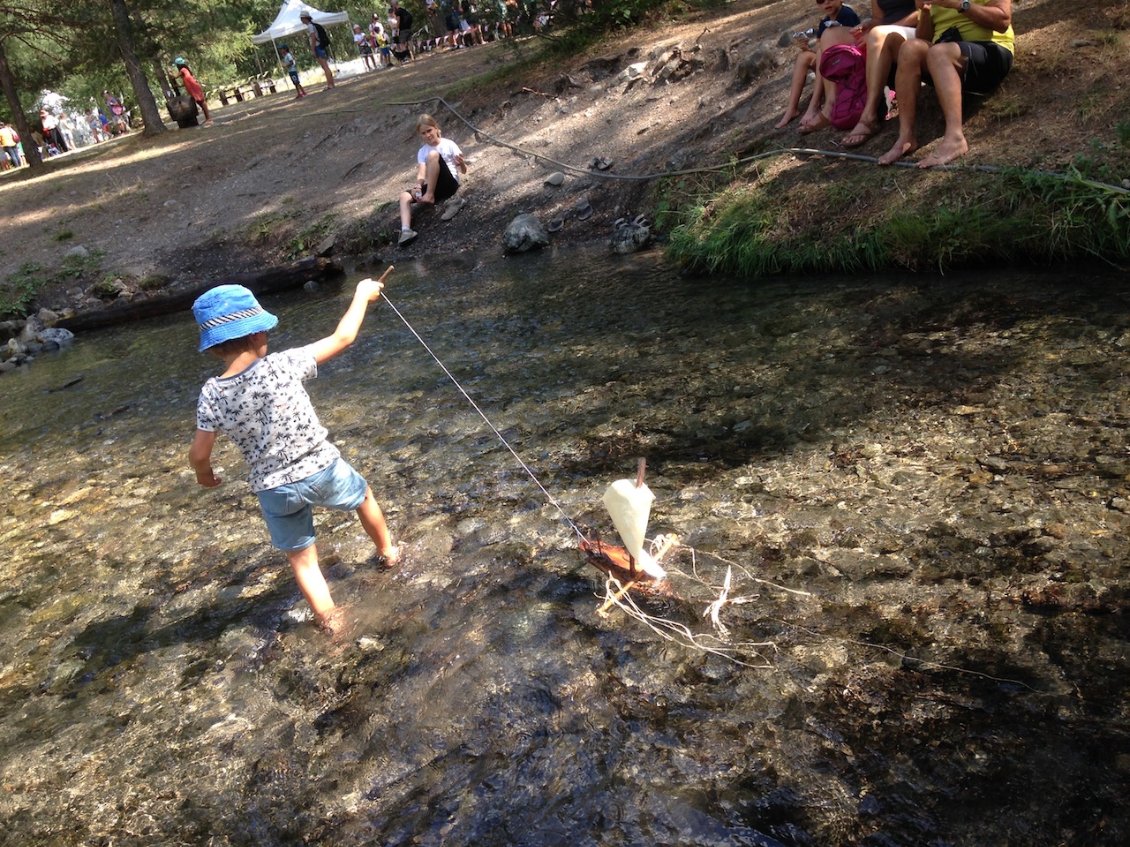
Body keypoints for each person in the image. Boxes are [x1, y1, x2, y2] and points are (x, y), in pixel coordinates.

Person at [188, 280, 399, 635]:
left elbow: (198, 453)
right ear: (256, 335)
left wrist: (204, 474)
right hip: (321, 467)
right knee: (363, 496)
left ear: (214, 348)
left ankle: (332, 622)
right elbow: (343, 337)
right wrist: (362, 294)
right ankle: (389, 552)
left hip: (273, 489)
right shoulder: (283, 364)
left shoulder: (211, 394)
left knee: (302, 560)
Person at [878, 0, 1014, 168]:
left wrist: (958, 4)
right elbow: (923, 38)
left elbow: (1002, 21)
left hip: (991, 52)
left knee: (938, 52)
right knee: (910, 48)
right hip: (945, 57)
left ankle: (955, 138)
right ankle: (906, 137)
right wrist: (925, 12)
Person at [838, 0, 919, 147]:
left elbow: (926, 11)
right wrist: (868, 26)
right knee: (832, 37)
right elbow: (878, 18)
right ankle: (830, 108)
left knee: (877, 35)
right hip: (886, 34)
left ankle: (869, 115)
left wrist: (884, 29)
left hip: (917, 31)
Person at [775, 0, 861, 130]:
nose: (826, 3)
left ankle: (814, 106)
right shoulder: (824, 22)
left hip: (848, 65)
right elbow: (821, 48)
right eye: (821, 1)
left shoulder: (847, 14)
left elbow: (852, 46)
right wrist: (806, 48)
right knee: (803, 57)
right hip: (832, 64)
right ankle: (791, 109)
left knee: (821, 53)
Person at [397, 113, 467, 246]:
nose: (428, 135)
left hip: (450, 183)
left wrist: (462, 163)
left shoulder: (448, 144)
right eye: (423, 133)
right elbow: (422, 172)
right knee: (404, 195)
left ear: (436, 128)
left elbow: (463, 171)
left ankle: (429, 196)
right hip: (434, 187)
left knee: (433, 154)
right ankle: (406, 230)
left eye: (429, 130)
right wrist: (418, 186)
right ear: (420, 135)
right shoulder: (422, 151)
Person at [301, 11, 336, 89]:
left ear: (304, 18)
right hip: (320, 46)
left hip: (317, 47)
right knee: (325, 66)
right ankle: (331, 83)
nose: (301, 20)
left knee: (324, 66)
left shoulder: (310, 26)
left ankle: (330, 84)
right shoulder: (313, 25)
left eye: (301, 18)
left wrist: (313, 49)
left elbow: (313, 38)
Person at [174, 57, 213, 127]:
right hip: (191, 88)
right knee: (200, 102)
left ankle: (209, 118)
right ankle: (207, 118)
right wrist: (179, 85)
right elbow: (186, 81)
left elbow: (175, 77)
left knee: (201, 102)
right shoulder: (186, 71)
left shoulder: (183, 70)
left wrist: (170, 73)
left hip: (194, 88)